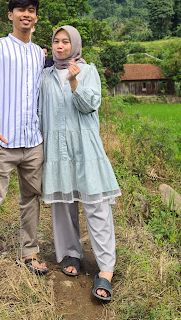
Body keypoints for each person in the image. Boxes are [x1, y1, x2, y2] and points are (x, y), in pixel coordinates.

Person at [0, 0, 47, 300]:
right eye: (20, 10)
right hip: (2, 141)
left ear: (36, 17)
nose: (26, 15)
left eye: (31, 10)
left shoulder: (38, 54)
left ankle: (29, 253)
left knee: (31, 200)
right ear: (10, 15)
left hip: (32, 142)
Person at [39, 25, 121, 301]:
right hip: (57, 150)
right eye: (56, 41)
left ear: (74, 46)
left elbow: (89, 105)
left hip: (85, 148)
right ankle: (70, 253)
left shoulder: (88, 71)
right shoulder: (45, 76)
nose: (60, 46)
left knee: (97, 205)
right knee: (63, 205)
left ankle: (106, 269)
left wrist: (74, 83)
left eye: (65, 42)